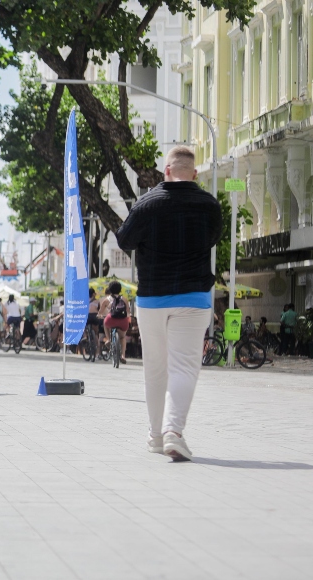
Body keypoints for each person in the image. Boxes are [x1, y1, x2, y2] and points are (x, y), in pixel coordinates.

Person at [115, 145, 222, 462]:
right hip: (193, 297)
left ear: (167, 171)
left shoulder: (147, 203)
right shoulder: (210, 206)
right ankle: (174, 431)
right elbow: (213, 237)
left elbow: (124, 240)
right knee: (184, 367)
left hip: (151, 299)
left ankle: (156, 436)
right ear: (195, 173)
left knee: (155, 369)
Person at [98, 281, 130, 363]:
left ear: (110, 289)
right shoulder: (124, 299)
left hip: (111, 320)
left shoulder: (106, 300)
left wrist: (100, 316)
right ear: (120, 289)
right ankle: (123, 355)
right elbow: (128, 312)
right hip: (123, 321)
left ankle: (108, 339)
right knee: (122, 337)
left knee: (105, 323)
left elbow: (100, 313)